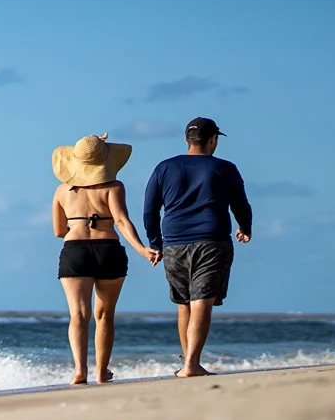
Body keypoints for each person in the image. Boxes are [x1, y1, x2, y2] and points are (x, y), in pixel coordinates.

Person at [143, 117, 253, 378]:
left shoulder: (164, 167)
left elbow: (150, 209)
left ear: (186, 139)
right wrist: (245, 227)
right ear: (213, 139)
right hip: (212, 240)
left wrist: (155, 243)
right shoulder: (225, 168)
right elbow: (241, 203)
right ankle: (191, 364)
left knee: (184, 304)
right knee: (202, 301)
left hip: (174, 243)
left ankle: (188, 363)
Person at [51, 133, 157, 384]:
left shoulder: (62, 190)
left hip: (75, 250)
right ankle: (101, 372)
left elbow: (58, 231)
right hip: (108, 248)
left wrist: (77, 230)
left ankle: (80, 371)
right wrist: (142, 249)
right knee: (104, 315)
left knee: (78, 315)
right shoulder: (114, 186)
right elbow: (121, 221)